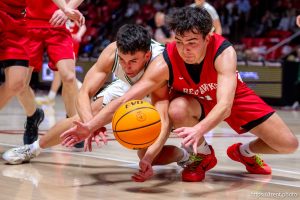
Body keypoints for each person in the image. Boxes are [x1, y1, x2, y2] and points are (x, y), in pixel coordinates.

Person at [58, 7, 297, 182]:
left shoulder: (224, 52)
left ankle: (243, 152)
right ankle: (202, 155)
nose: (185, 49)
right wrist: (90, 126)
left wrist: (200, 130)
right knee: (177, 108)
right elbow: (126, 98)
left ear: (208, 37)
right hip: (196, 103)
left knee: (288, 144)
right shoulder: (166, 60)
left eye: (192, 42)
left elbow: (225, 106)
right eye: (180, 42)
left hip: (233, 99)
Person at [3, 24, 170, 182]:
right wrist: (90, 124)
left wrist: (148, 157)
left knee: (149, 148)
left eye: (133, 61)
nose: (126, 66)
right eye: (123, 60)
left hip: (158, 88)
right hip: (127, 85)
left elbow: (162, 118)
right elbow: (84, 92)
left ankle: (185, 156)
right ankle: (33, 148)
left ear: (146, 56)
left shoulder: (159, 63)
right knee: (81, 118)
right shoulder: (112, 52)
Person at [16, 0, 84, 145]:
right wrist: (66, 9)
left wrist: (67, 9)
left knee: (69, 77)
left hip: (57, 23)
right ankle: (33, 116)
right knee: (19, 84)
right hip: (28, 24)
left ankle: (74, 122)